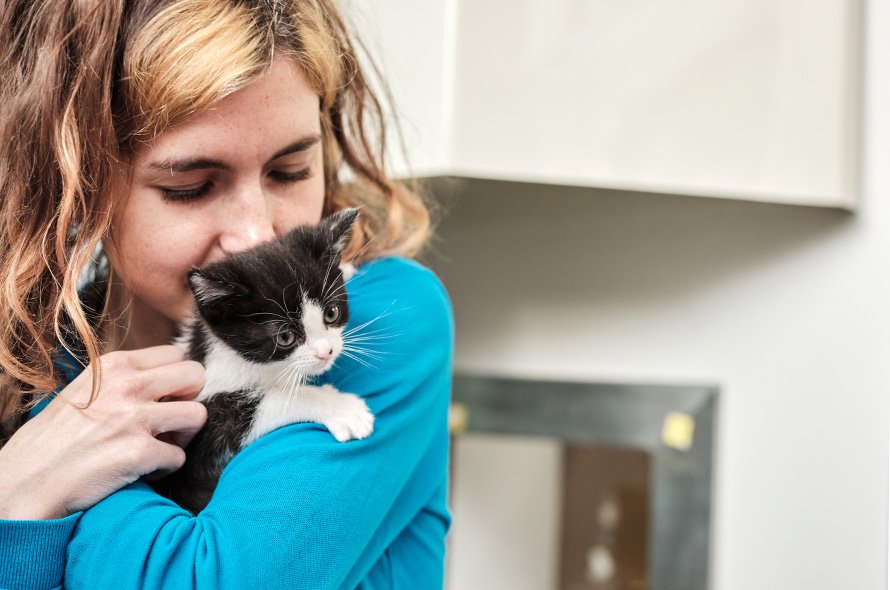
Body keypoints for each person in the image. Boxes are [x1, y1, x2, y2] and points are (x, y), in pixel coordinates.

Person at [0, 1, 453, 588]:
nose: (257, 235)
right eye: (191, 186)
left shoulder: (382, 315)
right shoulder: (28, 362)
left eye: (290, 171)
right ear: (78, 187)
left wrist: (26, 490)